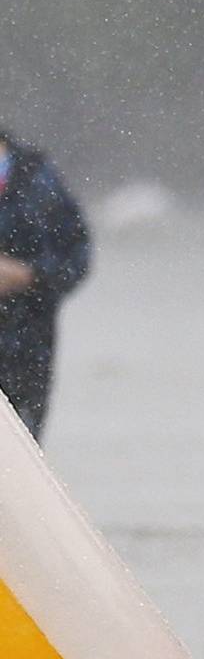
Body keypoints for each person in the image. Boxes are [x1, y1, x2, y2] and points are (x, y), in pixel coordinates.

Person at [0, 127, 92, 439]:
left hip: (28, 344)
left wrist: (31, 274)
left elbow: (77, 256)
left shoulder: (39, 181)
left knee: (21, 456)